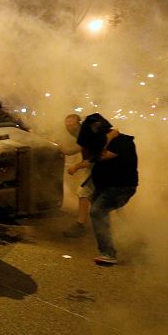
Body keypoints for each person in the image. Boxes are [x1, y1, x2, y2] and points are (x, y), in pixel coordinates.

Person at [68, 113, 138, 265]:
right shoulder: (103, 140)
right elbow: (88, 155)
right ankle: (129, 238)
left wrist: (110, 137)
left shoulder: (121, 141)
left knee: (97, 211)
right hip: (107, 186)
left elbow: (98, 156)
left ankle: (109, 253)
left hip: (121, 187)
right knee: (100, 209)